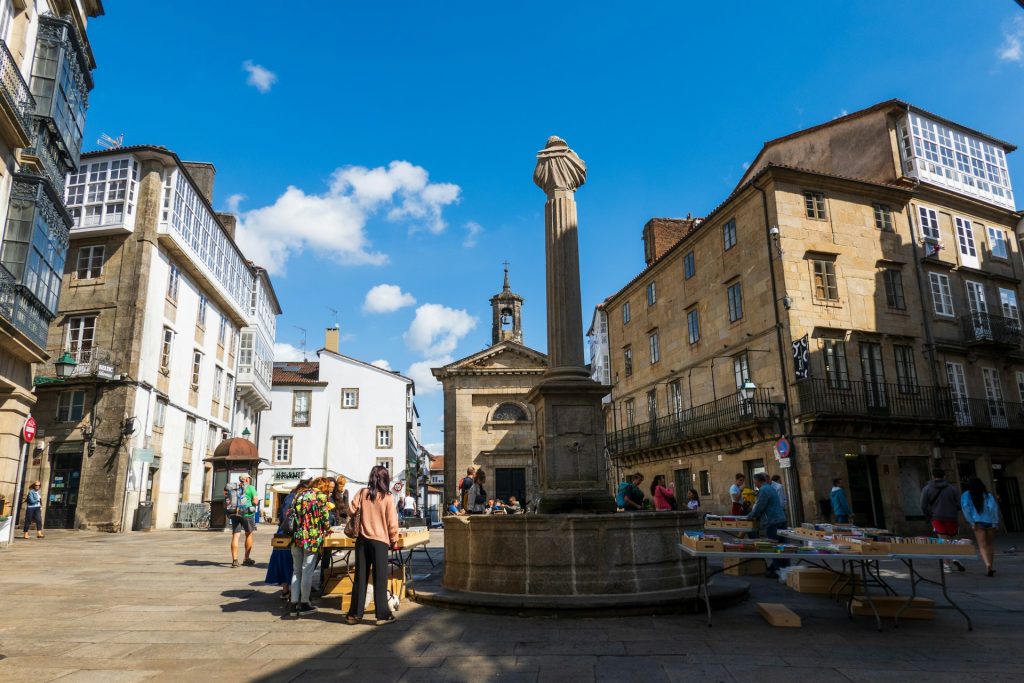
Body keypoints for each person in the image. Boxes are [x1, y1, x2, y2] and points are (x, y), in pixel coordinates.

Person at [345, 465, 400, 626]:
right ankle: (382, 615)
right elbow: (392, 522)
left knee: (360, 578)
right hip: (380, 542)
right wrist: (394, 539)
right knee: (380, 579)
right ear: (385, 479)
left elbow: (350, 510)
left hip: (362, 541)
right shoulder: (387, 497)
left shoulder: (363, 493)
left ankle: (354, 615)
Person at [290, 477, 332, 616]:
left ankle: (293, 603)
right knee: (307, 571)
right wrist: (328, 528)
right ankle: (304, 603)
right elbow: (325, 518)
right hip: (311, 538)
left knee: (296, 571)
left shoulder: (299, 494)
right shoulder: (320, 496)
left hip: (297, 536)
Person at [921, 468, 964, 573]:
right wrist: (954, 509)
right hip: (951, 516)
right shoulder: (952, 488)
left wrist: (928, 515)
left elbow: (923, 505)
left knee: (943, 540)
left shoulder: (927, 489)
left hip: (937, 517)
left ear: (932, 476)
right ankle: (955, 557)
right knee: (953, 538)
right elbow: (960, 503)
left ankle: (947, 565)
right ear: (944, 476)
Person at [747, 472, 789, 578]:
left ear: (758, 481)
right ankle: (785, 569)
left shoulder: (764, 490)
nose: (755, 484)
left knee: (774, 547)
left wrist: (750, 516)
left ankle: (777, 570)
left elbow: (760, 506)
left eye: (755, 482)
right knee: (783, 547)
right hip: (781, 519)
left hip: (772, 521)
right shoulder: (771, 488)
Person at [265, 484, 299, 600]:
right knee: (287, 561)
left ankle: (287, 590)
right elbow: (285, 516)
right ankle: (288, 590)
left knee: (286, 561)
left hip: (285, 532)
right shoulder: (292, 497)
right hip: (287, 533)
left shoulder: (292, 496)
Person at [961, 477, 1000, 577]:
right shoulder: (988, 495)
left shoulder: (966, 495)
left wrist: (971, 522)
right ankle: (991, 565)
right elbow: (993, 508)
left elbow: (965, 508)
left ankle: (987, 565)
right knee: (990, 544)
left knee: (982, 546)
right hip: (990, 522)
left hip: (977, 522)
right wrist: (995, 522)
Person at [226, 474, 259, 567]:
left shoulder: (233, 488)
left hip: (234, 513)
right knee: (248, 534)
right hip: (247, 514)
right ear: (246, 479)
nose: (249, 480)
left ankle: (235, 560)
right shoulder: (251, 488)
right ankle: (246, 558)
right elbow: (256, 501)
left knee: (235, 535)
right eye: (249, 478)